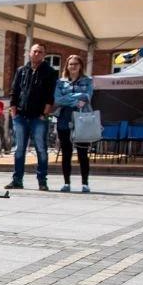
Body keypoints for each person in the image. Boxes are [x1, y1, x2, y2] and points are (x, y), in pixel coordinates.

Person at [7, 44, 58, 191]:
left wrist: (45, 114)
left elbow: (51, 95)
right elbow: (14, 91)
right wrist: (13, 111)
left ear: (44, 55)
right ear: (30, 53)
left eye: (40, 52)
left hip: (39, 117)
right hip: (21, 116)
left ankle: (42, 181)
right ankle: (17, 180)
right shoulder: (22, 71)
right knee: (19, 149)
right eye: (34, 51)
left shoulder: (50, 72)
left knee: (41, 149)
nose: (37, 54)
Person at [53, 55, 94, 193]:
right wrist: (76, 100)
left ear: (81, 65)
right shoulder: (60, 82)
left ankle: (85, 183)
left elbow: (87, 96)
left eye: (76, 64)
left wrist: (68, 98)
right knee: (66, 152)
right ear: (67, 66)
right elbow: (58, 99)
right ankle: (66, 183)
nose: (73, 66)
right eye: (71, 64)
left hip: (82, 117)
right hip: (64, 117)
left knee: (83, 152)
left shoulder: (87, 81)